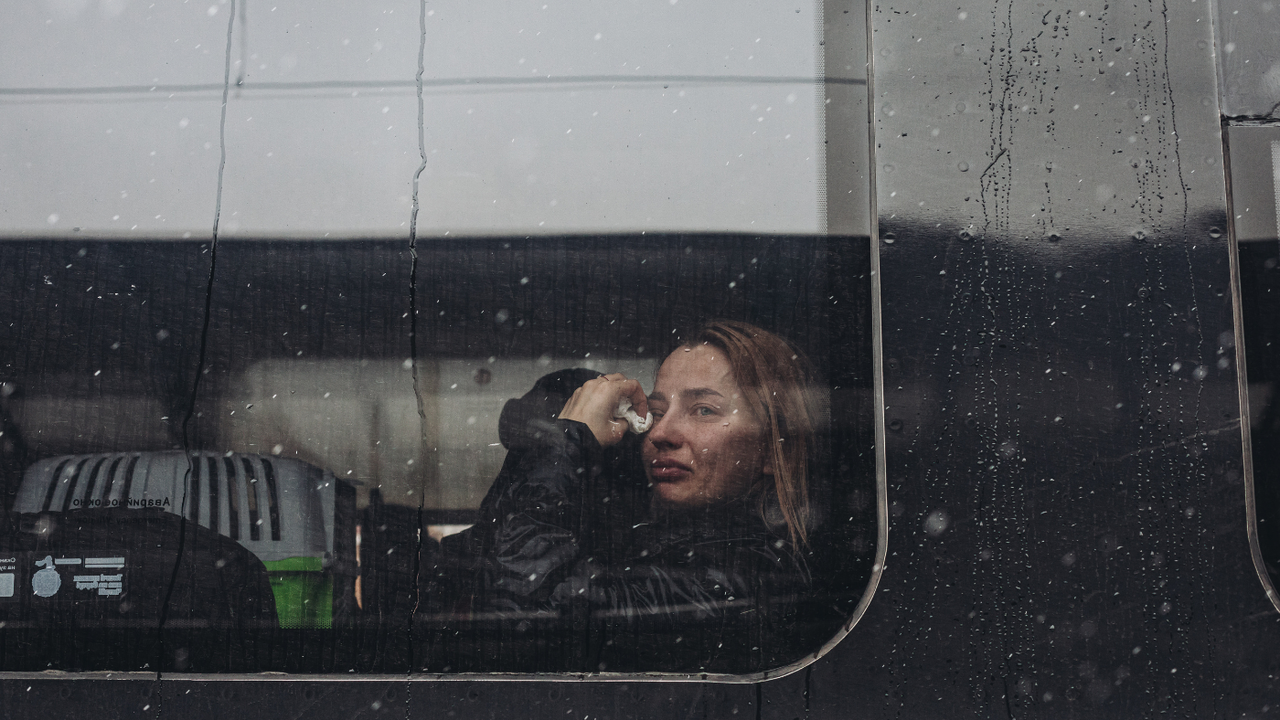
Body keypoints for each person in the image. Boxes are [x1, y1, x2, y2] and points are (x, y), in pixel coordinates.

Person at [439, 320, 827, 671]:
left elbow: (519, 618)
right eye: (656, 413)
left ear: (775, 448)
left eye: (704, 410)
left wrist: (567, 441)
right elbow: (481, 563)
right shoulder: (648, 537)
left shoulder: (753, 575)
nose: (660, 433)